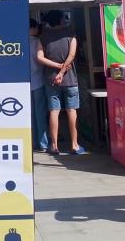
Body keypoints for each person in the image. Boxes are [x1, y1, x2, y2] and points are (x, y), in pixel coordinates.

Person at [36, 10, 84, 155]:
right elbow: (72, 55)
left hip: (51, 80)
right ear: (61, 20)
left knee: (54, 112)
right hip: (70, 79)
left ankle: (54, 146)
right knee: (71, 111)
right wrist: (62, 71)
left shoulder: (43, 37)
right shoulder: (71, 35)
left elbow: (40, 57)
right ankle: (74, 145)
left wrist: (56, 69)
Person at [29, 18, 50, 153]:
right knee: (40, 113)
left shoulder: (17, 42)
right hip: (39, 81)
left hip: (25, 83)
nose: (38, 30)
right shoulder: (37, 42)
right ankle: (43, 143)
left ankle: (33, 141)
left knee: (30, 114)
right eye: (36, 27)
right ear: (31, 28)